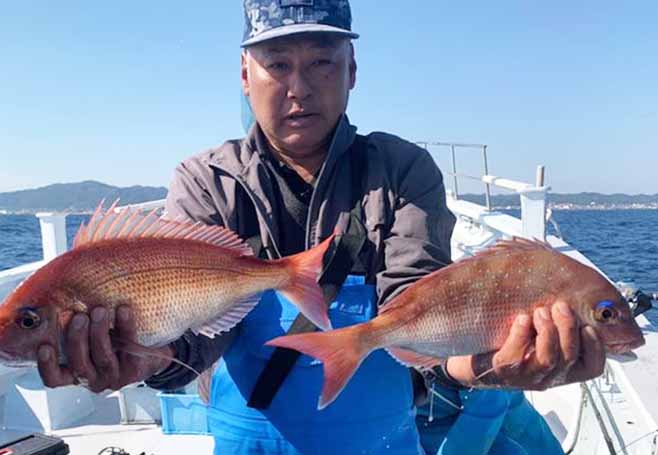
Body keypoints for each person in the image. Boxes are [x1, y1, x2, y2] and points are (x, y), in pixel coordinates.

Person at [36, 1, 607, 453]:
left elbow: (421, 312)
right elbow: (196, 334)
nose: (299, 88)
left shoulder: (401, 171)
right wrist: (148, 359)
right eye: (277, 64)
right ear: (245, 74)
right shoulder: (207, 180)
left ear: (351, 71)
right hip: (247, 442)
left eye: (321, 62)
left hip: (379, 441)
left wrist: (489, 365)